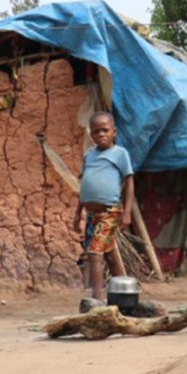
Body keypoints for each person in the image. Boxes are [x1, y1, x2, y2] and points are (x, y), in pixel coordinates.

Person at [73, 112, 135, 301]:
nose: (101, 134)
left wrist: (127, 212)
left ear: (114, 132)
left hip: (110, 211)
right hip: (91, 213)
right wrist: (77, 214)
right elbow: (84, 186)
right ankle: (125, 294)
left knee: (94, 253)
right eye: (96, 131)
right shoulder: (89, 156)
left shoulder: (120, 154)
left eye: (105, 130)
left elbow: (129, 182)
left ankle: (97, 298)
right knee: (107, 254)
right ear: (91, 134)